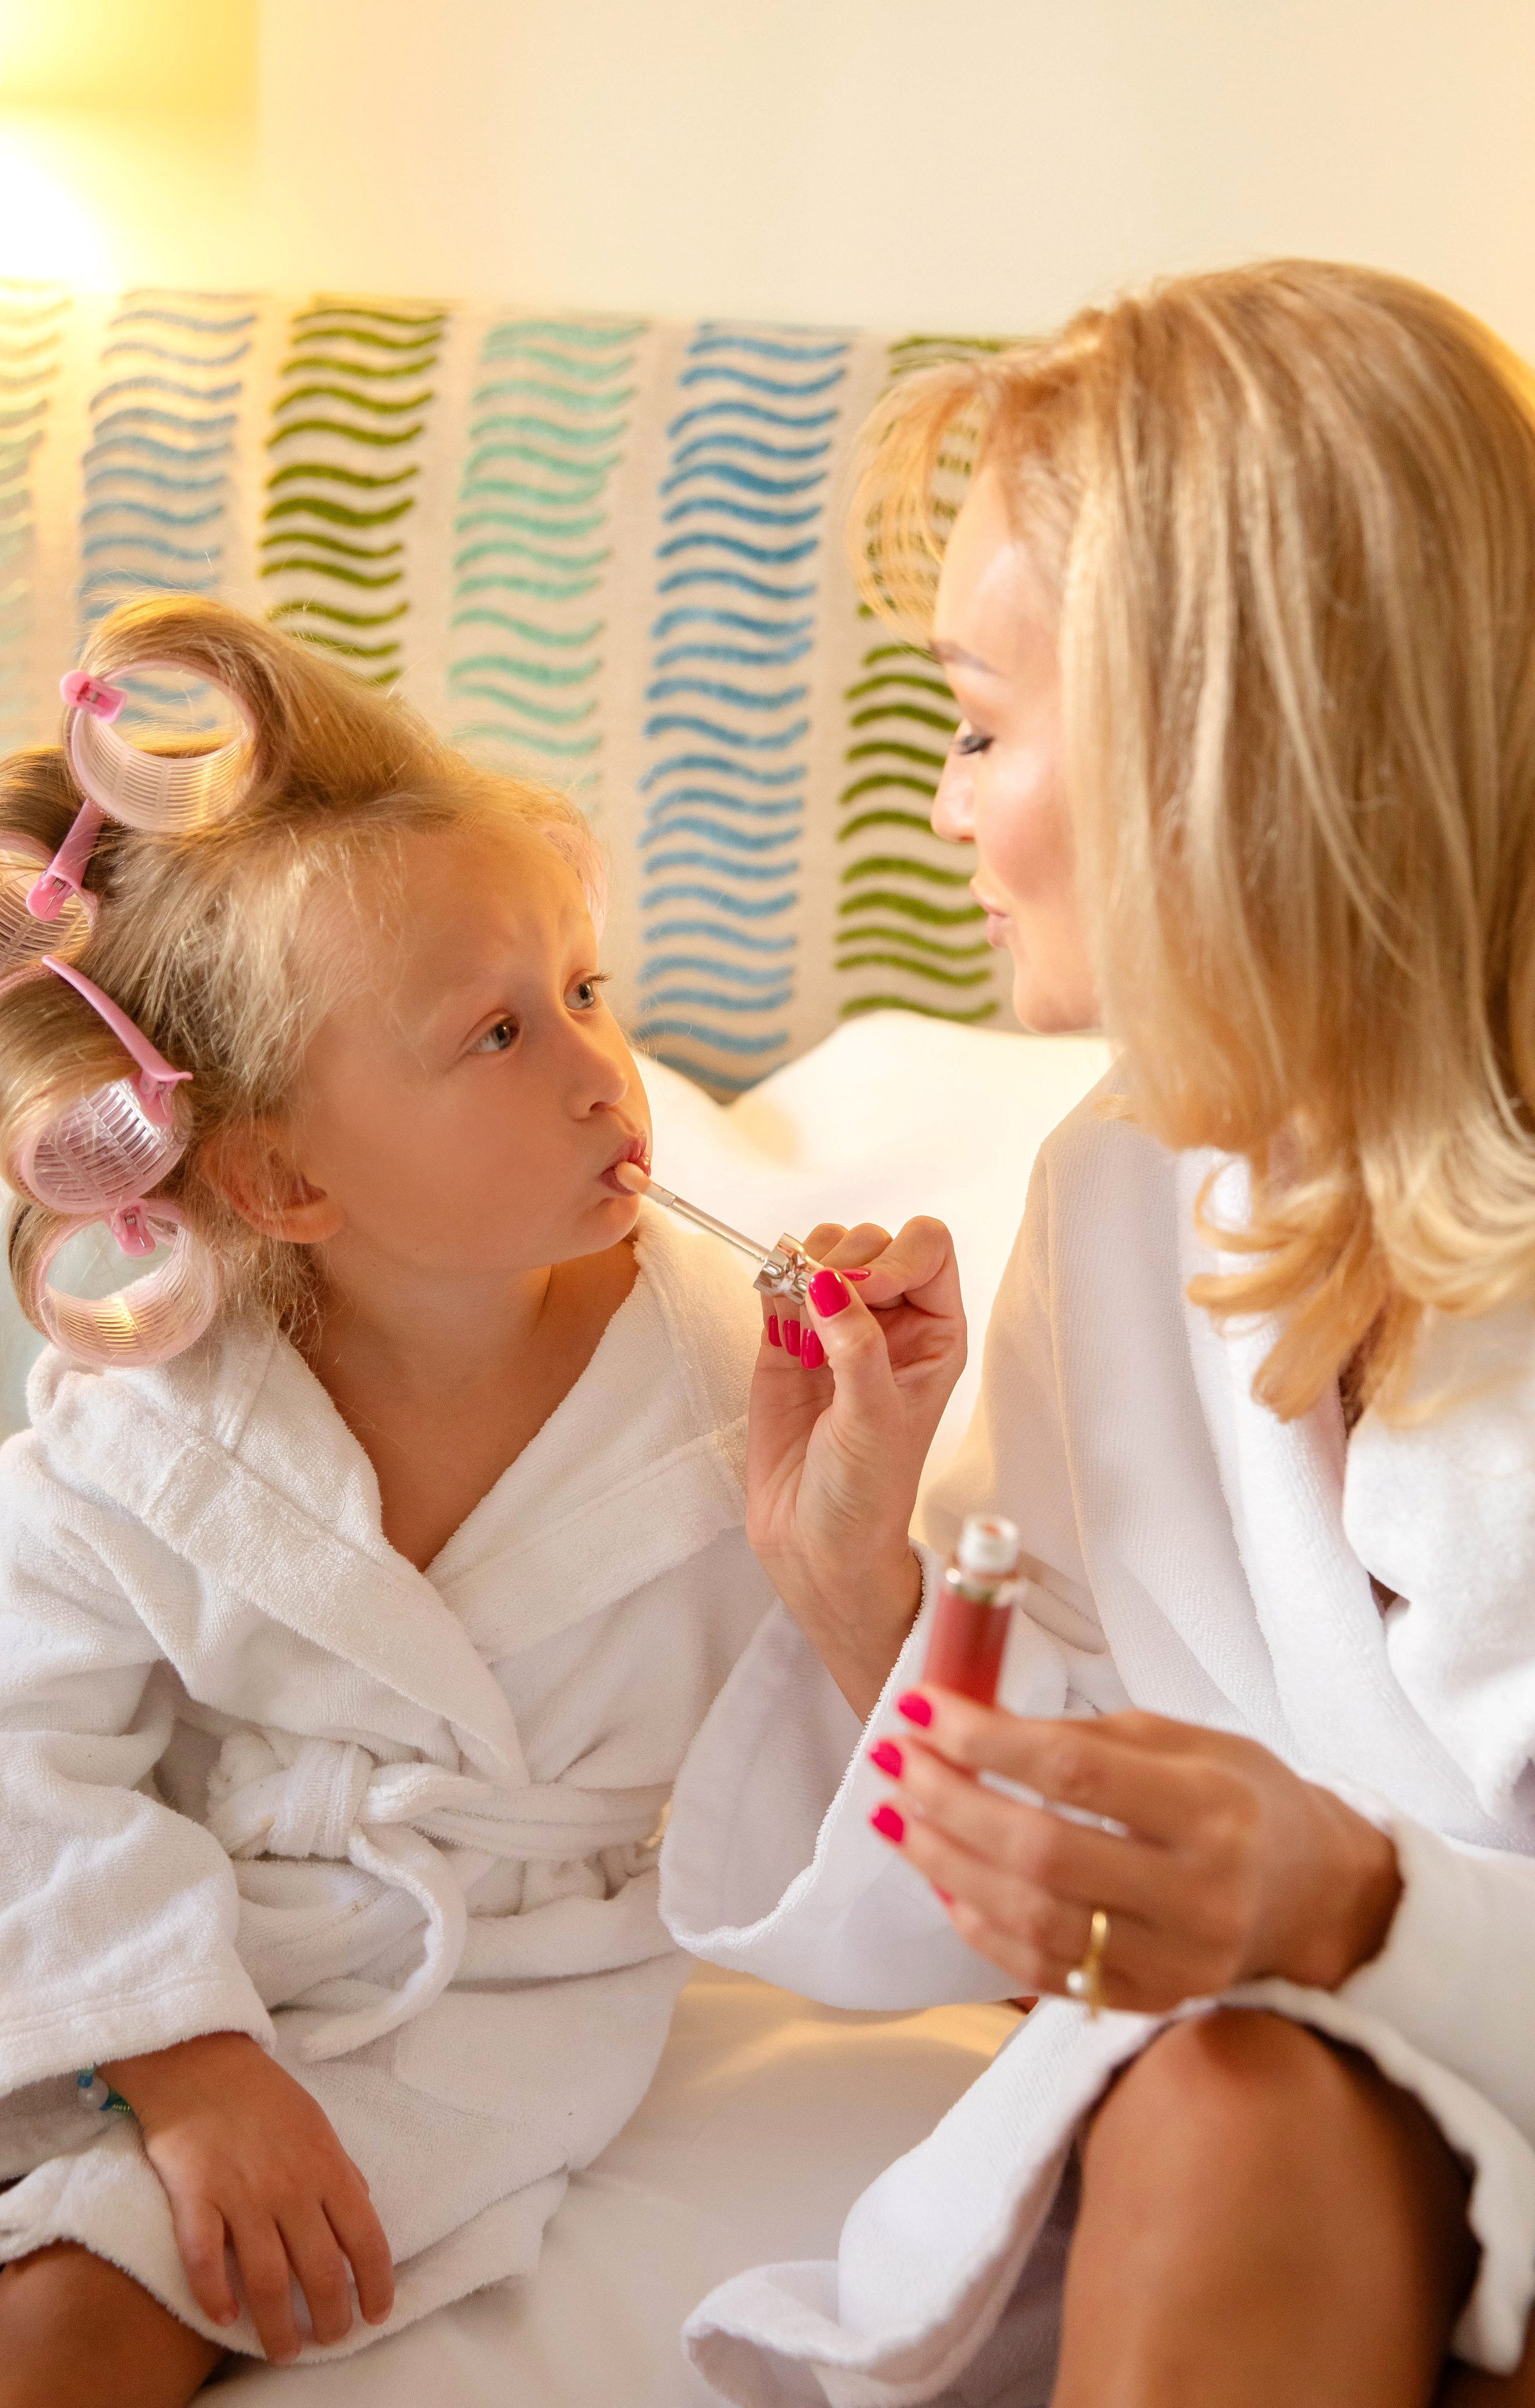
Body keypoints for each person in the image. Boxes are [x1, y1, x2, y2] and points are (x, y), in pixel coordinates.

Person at [660, 260, 1535, 2408]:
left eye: (975, 723)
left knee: (1245, 2100)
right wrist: (862, 1576)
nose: (948, 814)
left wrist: (1363, 1908)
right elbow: (1084, 1857)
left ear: (1212, 747)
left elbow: (1294, 1893)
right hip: (1308, 2157)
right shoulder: (1126, 1190)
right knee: (1236, 2101)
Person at [0, 598, 774, 2403]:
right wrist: (175, 2054)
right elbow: (8, 1769)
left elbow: (841, 1760)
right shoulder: (157, 1416)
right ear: (284, 1177)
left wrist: (855, 1493)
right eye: (493, 1036)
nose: (595, 1071)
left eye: (584, 994)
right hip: (149, 1946)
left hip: (456, 2011)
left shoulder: (732, 1390)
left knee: (59, 2339)